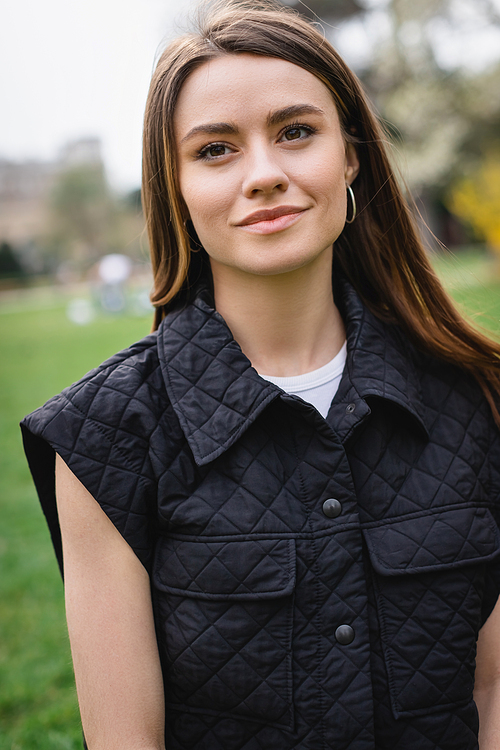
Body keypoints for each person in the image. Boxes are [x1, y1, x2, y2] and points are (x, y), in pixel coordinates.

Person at [21, 1, 500, 748]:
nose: (265, 175)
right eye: (216, 150)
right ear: (174, 185)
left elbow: (493, 687)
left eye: (296, 132)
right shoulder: (102, 438)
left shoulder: (473, 395)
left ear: (350, 154)